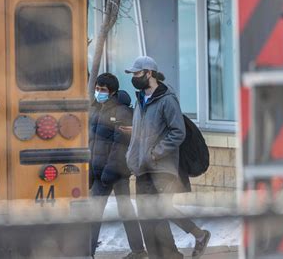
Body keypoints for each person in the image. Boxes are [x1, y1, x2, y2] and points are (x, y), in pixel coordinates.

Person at [124, 56, 210, 259]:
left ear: (149, 73)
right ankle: (186, 243)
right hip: (142, 167)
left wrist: (156, 153)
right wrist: (132, 156)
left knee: (157, 214)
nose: (134, 78)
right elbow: (142, 132)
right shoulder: (140, 100)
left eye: (137, 74)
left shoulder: (167, 99)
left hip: (161, 168)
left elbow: (177, 132)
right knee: (148, 217)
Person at [89, 73, 147, 259]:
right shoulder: (97, 108)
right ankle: (136, 250)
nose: (99, 92)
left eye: (103, 90)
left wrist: (108, 172)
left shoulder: (121, 111)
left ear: (112, 91)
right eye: (97, 89)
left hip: (115, 172)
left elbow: (119, 146)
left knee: (117, 211)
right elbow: (92, 142)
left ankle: (137, 251)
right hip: (101, 171)